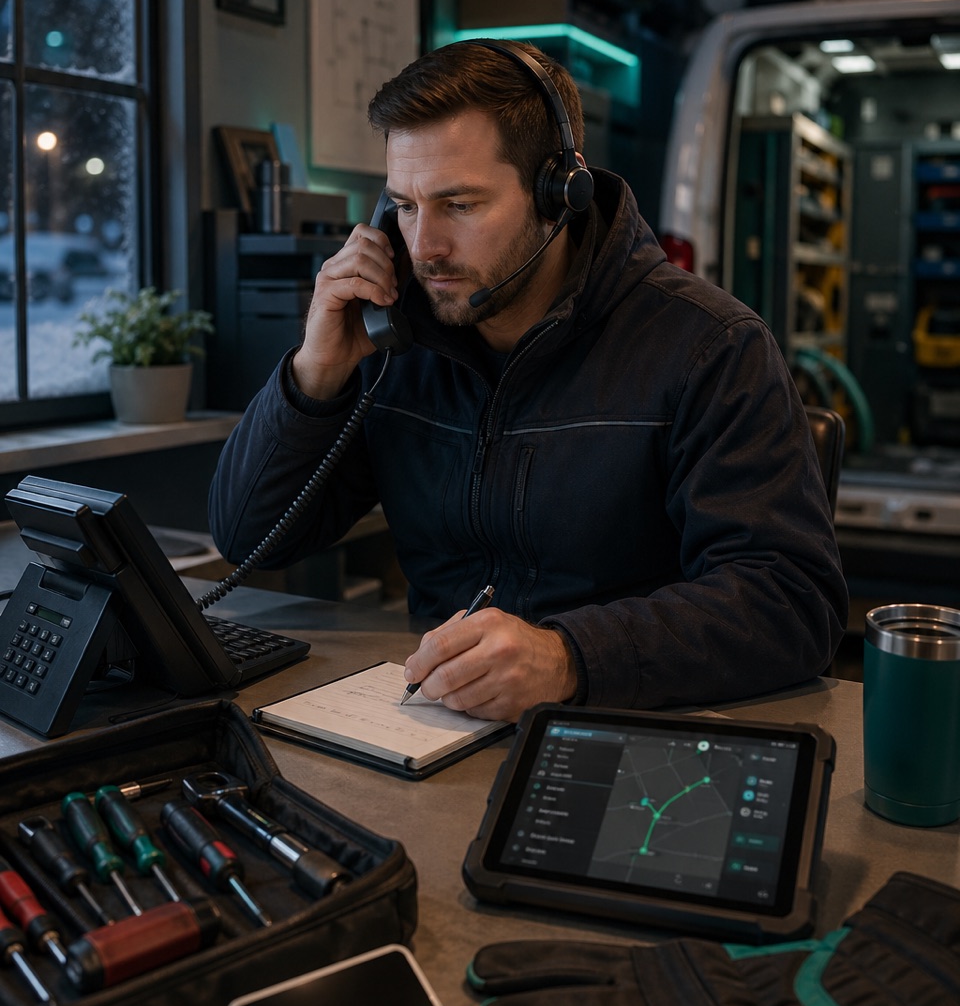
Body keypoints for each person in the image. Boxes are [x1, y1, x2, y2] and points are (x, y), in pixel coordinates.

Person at [208, 40, 847, 723]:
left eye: (459, 205)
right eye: (404, 206)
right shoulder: (396, 339)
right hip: (432, 716)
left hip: (625, 726)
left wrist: (569, 657)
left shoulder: (709, 346)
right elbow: (249, 538)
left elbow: (791, 601)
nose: (424, 248)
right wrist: (315, 372)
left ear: (558, 194)